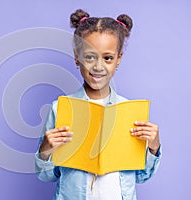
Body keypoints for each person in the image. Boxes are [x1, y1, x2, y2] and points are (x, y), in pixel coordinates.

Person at [35, 9, 161, 200]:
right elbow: (47, 175)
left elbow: (142, 176)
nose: (98, 66)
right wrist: (45, 150)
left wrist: (153, 147)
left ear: (118, 59)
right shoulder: (60, 109)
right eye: (90, 57)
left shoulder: (130, 112)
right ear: (77, 57)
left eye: (107, 58)